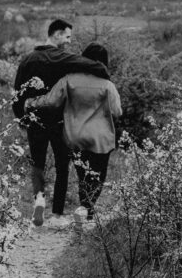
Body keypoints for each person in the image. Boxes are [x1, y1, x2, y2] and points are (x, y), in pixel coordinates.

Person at [13, 20, 110, 226]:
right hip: (59, 121)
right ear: (56, 34)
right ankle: (57, 214)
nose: (68, 42)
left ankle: (39, 201)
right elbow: (93, 65)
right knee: (62, 167)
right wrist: (103, 74)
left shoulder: (28, 60)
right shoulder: (63, 58)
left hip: (33, 119)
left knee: (37, 163)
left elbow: (17, 93)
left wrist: (21, 119)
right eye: (66, 37)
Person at [25, 42, 121, 222]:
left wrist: (30, 103)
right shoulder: (107, 85)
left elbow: (51, 101)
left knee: (82, 174)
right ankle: (86, 209)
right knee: (98, 176)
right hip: (100, 138)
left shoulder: (68, 79)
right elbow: (117, 111)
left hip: (74, 136)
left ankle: (83, 209)